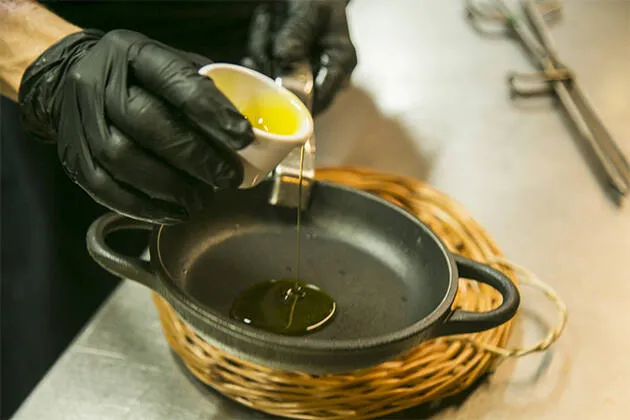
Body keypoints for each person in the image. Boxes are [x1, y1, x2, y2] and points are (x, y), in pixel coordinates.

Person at [0, 0, 357, 417]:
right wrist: (40, 54)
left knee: (220, 248)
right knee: (59, 308)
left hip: (230, 56)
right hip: (71, 70)